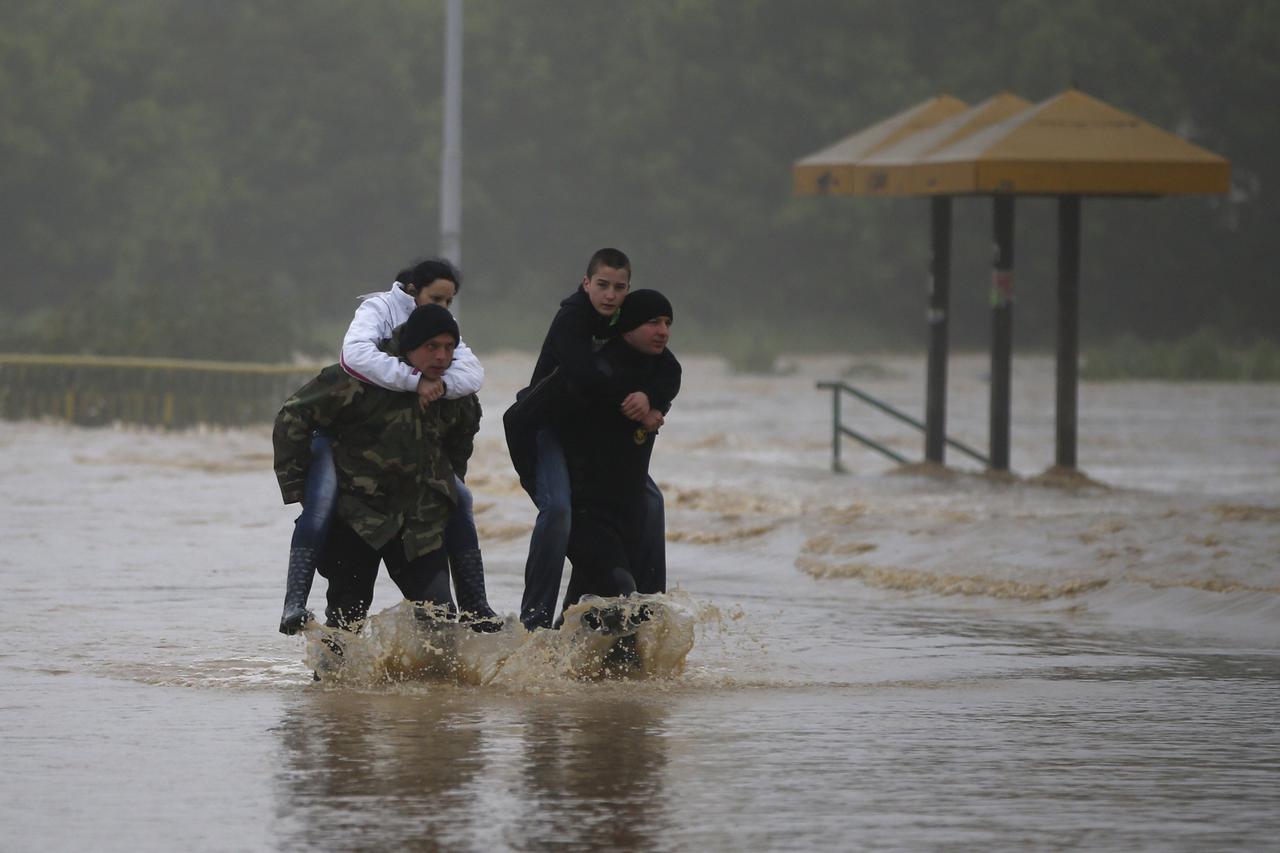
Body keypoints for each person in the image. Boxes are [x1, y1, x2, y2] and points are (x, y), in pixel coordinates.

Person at [278, 258, 498, 635]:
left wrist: (445, 481)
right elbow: (292, 418)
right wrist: (299, 486)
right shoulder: (354, 381)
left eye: (449, 348)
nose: (442, 357)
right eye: (432, 348)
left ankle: (475, 609)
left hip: (418, 525)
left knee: (441, 631)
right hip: (357, 519)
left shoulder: (454, 392)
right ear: (410, 346)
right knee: (342, 635)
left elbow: (461, 439)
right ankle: (311, 644)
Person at [510, 249, 680, 630]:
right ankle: (533, 620)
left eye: (619, 288)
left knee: (651, 500)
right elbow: (586, 375)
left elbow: (668, 365)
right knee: (558, 512)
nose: (609, 295)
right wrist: (638, 403)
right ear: (586, 283)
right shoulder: (572, 317)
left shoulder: (621, 319)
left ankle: (652, 605)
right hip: (540, 427)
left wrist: (652, 399)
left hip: (577, 431)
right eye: (602, 285)